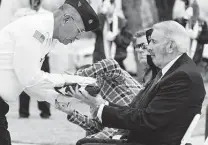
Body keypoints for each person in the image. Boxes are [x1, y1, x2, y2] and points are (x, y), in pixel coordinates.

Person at [67, 21, 206, 145]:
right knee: (84, 142)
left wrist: (101, 107)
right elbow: (137, 111)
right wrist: (100, 104)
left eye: (153, 42)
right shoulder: (172, 71)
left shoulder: (182, 76)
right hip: (140, 139)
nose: (148, 48)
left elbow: (148, 121)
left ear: (170, 46)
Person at [0, 0, 99, 144]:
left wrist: (56, 99)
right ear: (66, 19)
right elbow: (30, 79)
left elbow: (31, 87)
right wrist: (76, 80)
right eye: (79, 31)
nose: (77, 38)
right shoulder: (36, 30)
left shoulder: (46, 36)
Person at [56, 58, 142, 140]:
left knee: (88, 141)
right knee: (88, 138)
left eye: (80, 84)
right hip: (122, 130)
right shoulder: (93, 98)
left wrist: (77, 78)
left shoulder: (112, 78)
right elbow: (97, 128)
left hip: (140, 120)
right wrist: (71, 112)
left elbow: (111, 63)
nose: (81, 90)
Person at [13, 0, 52, 119]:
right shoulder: (20, 14)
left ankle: (45, 111)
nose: (35, 2)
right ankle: (23, 111)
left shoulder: (47, 15)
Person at [175, 0, 208, 65]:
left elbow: (206, 38)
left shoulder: (202, 24)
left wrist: (196, 36)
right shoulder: (180, 22)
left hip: (196, 59)